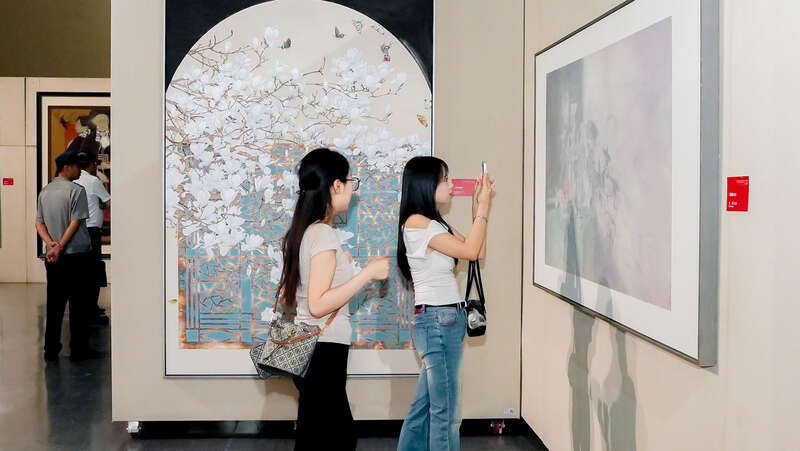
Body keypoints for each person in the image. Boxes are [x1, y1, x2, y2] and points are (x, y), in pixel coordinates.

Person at [275, 148, 390, 451]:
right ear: (336, 185)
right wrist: (367, 274)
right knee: (336, 439)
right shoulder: (323, 234)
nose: (353, 190)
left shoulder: (307, 231)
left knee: (316, 437)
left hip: (312, 348)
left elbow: (309, 297)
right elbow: (318, 304)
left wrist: (346, 271)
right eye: (352, 182)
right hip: (323, 351)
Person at [396, 157, 495, 451]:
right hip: (439, 323)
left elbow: (477, 251)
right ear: (426, 184)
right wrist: (484, 208)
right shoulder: (418, 223)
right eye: (445, 179)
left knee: (424, 407)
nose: (451, 186)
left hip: (444, 321)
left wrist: (478, 209)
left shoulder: (435, 223)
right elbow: (471, 250)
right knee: (447, 415)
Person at [35, 151, 100, 360]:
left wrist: (51, 245)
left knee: (54, 303)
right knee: (79, 304)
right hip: (77, 256)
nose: (80, 170)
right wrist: (61, 246)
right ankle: (79, 349)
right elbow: (76, 222)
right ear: (67, 167)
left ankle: (51, 348)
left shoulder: (45, 191)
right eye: (77, 167)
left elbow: (39, 222)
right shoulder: (76, 191)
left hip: (53, 258)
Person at [75, 151, 110, 323]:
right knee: (94, 270)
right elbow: (108, 201)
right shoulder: (93, 181)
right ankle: (91, 311)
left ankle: (83, 308)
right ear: (90, 165)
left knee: (81, 271)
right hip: (91, 233)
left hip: (76, 232)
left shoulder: (73, 180)